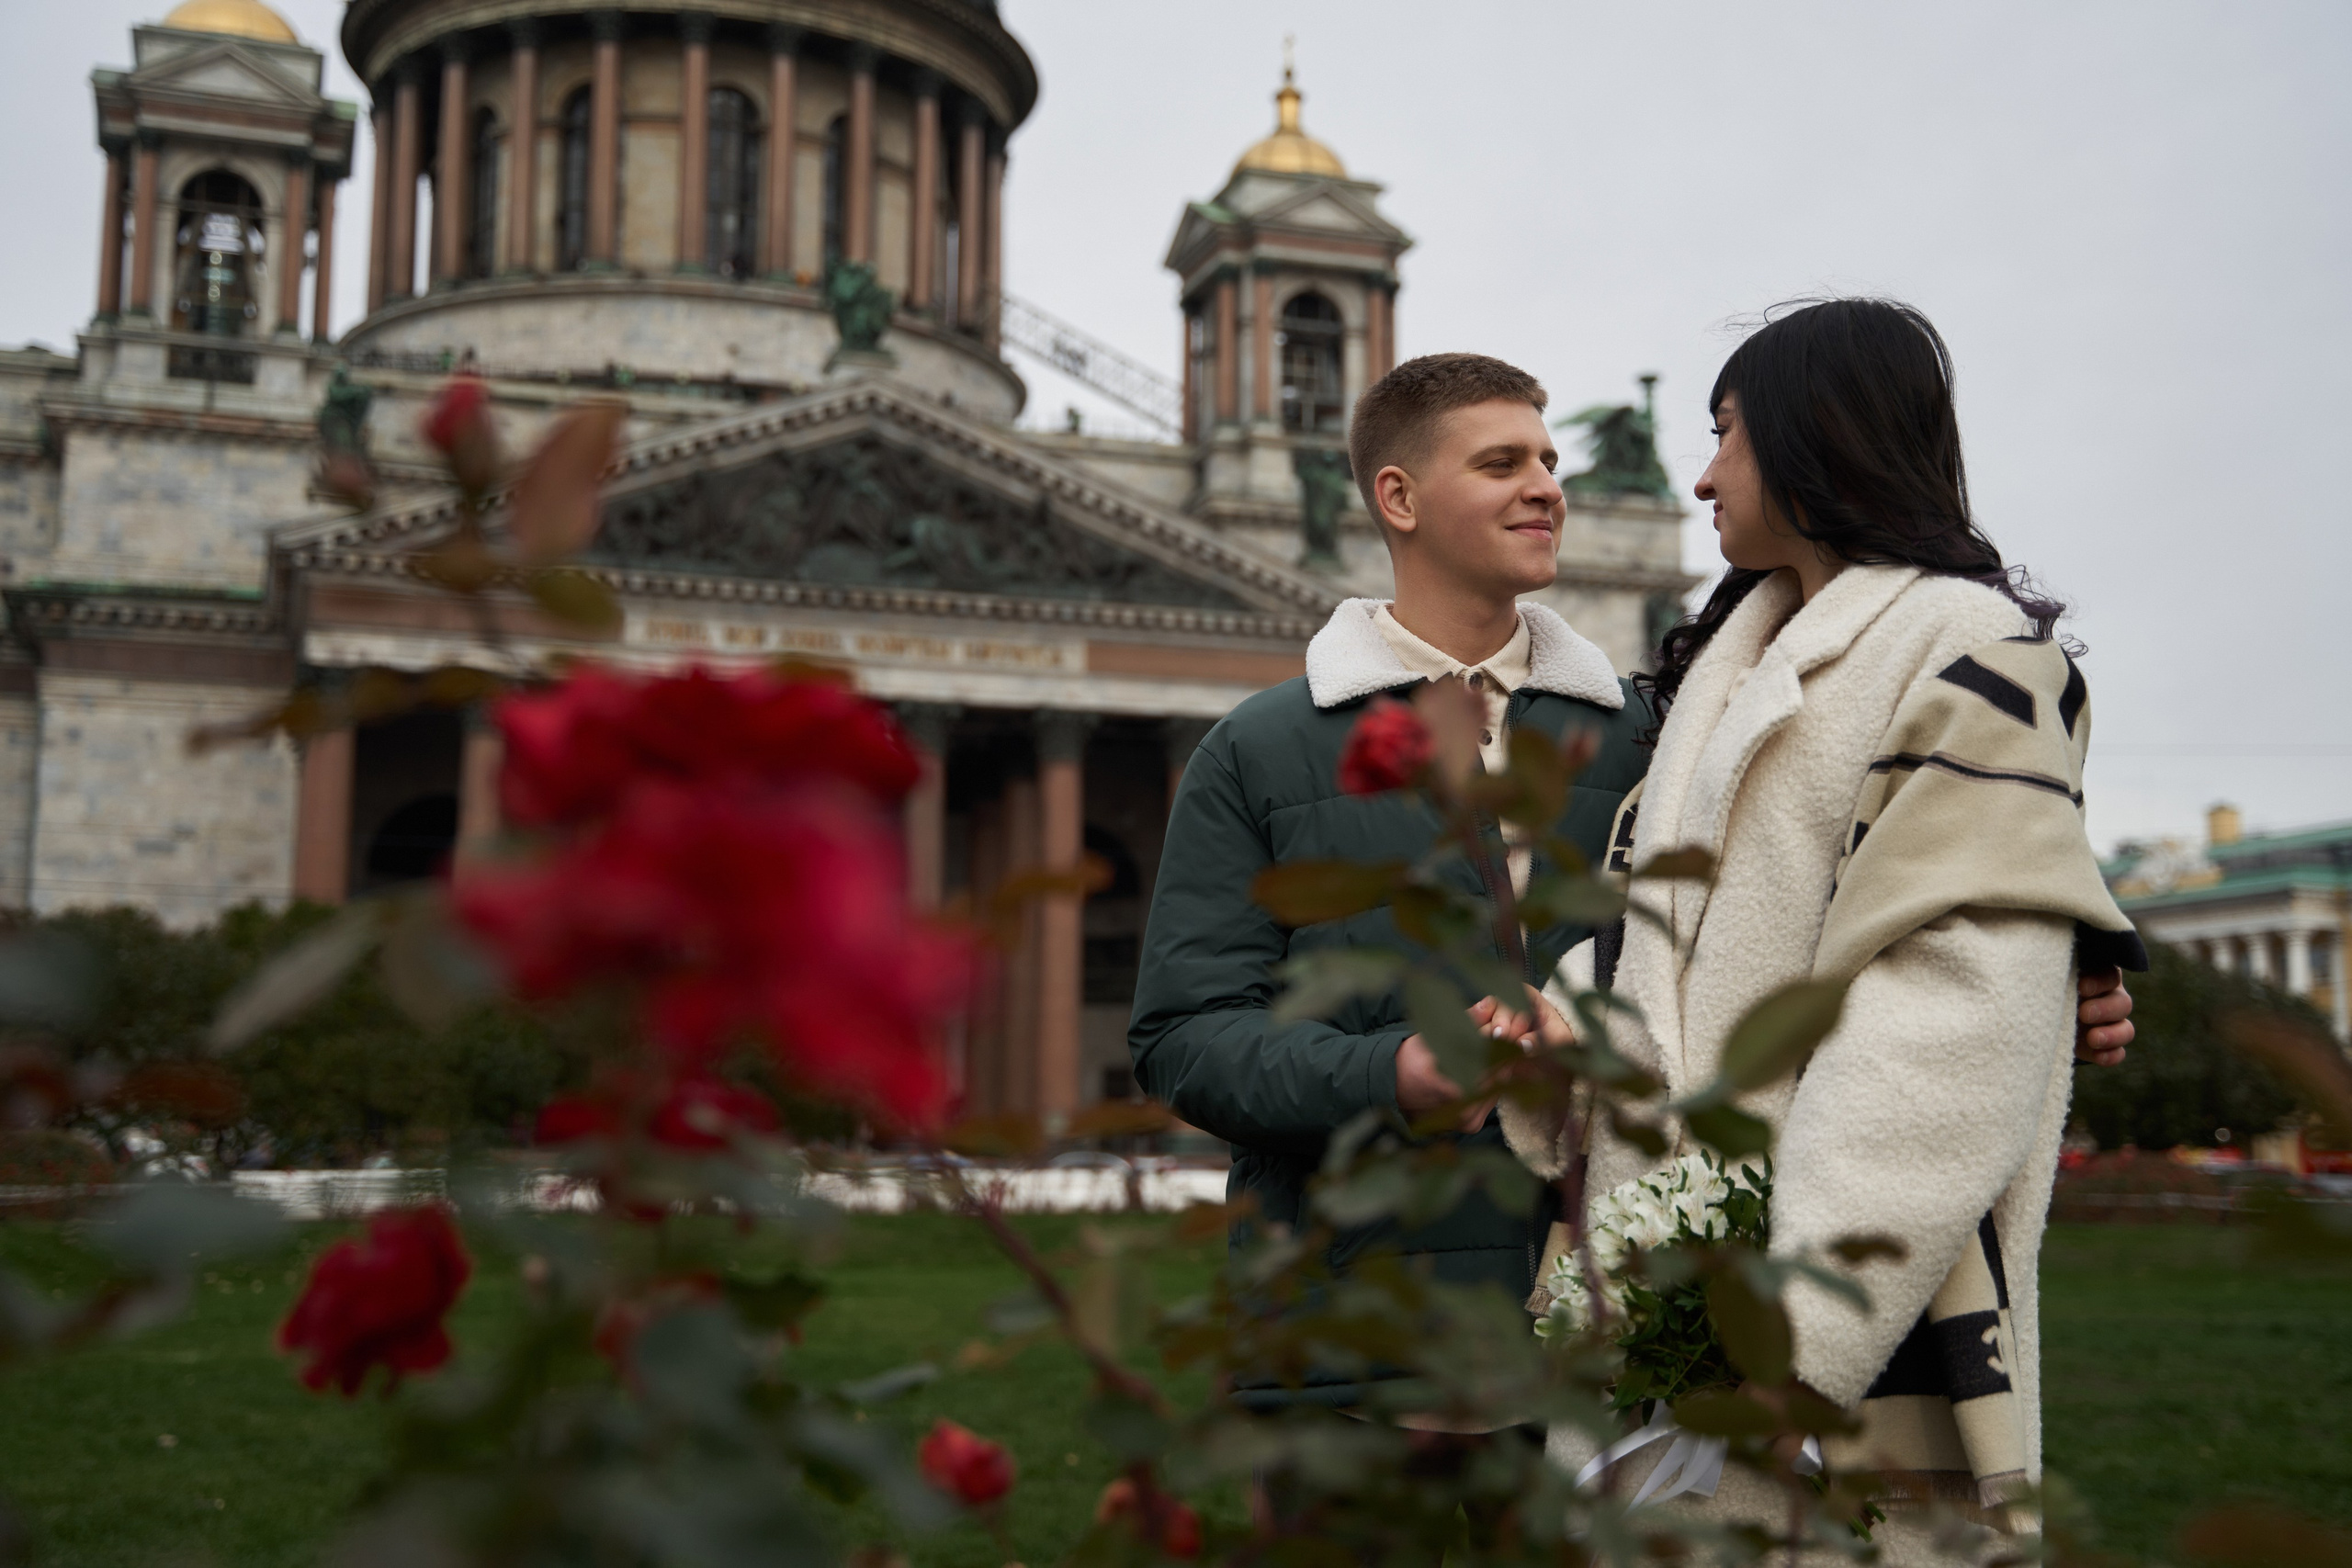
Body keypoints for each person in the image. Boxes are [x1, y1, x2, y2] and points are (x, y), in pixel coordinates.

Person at [1126, 350, 2136, 1420]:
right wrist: (1396, 1072)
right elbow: (1183, 1038)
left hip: (1603, 1351)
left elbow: (1811, 934)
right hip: (1346, 1355)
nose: (1546, 486)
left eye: (1551, 461)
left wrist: (2033, 977)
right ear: (1398, 497)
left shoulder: (1663, 732)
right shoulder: (1260, 749)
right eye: (1502, 463)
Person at [1500, 299, 2143, 1559]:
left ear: (1813, 435)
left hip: (1844, 1336)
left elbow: (1948, 1015)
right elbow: (1673, 951)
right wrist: (1556, 1029)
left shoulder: (1976, 654)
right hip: (1676, 1310)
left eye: (1724, 431)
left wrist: (1791, 1340)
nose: (1697, 473)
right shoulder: (1728, 671)